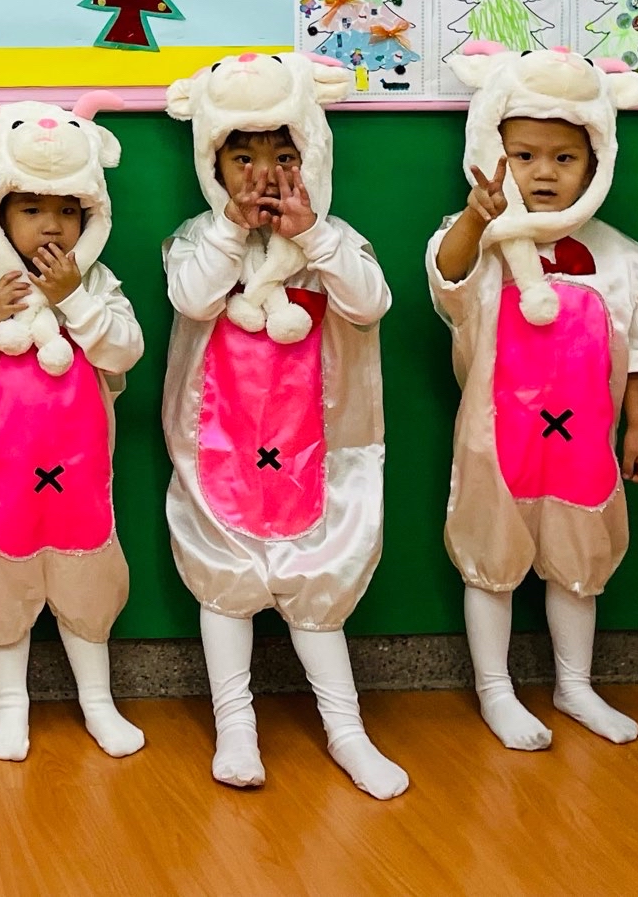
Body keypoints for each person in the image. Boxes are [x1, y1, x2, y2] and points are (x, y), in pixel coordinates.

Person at [162, 52, 405, 798]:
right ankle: (235, 724)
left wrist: (316, 236)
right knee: (225, 585)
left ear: (313, 156)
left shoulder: (334, 237)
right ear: (213, 164)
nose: (265, 174)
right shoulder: (198, 237)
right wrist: (231, 231)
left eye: (285, 155)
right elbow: (193, 298)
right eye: (243, 157)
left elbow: (370, 303)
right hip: (221, 450)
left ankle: (346, 729)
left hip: (315, 455)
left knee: (316, 580)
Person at [431, 45, 638, 749]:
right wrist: (476, 219)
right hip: (498, 438)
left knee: (579, 561)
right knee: (491, 561)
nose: (544, 172)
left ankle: (575, 684)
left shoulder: (618, 254)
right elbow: (447, 278)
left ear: (595, 164)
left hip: (584, 442)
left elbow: (637, 348)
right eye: (524, 156)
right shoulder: (477, 241)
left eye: (565, 158)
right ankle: (494, 689)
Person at [0, 98, 147, 762]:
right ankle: (11, 704)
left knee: (86, 574)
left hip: (79, 475)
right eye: (30, 209)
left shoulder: (98, 284)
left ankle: (98, 701)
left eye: (68, 210)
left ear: (91, 217)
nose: (51, 224)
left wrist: (75, 298)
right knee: (2, 575)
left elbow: (125, 352)